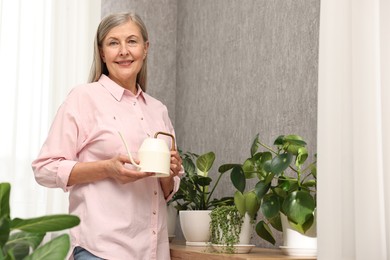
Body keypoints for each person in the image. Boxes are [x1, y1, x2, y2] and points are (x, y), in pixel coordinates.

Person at [32, 11, 182, 260]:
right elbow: (44, 168)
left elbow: (167, 189)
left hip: (152, 252)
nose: (124, 51)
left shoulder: (158, 110)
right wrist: (107, 169)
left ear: (145, 49)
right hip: (100, 250)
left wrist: (169, 172)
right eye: (114, 43)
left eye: (132, 41)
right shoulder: (83, 98)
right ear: (102, 52)